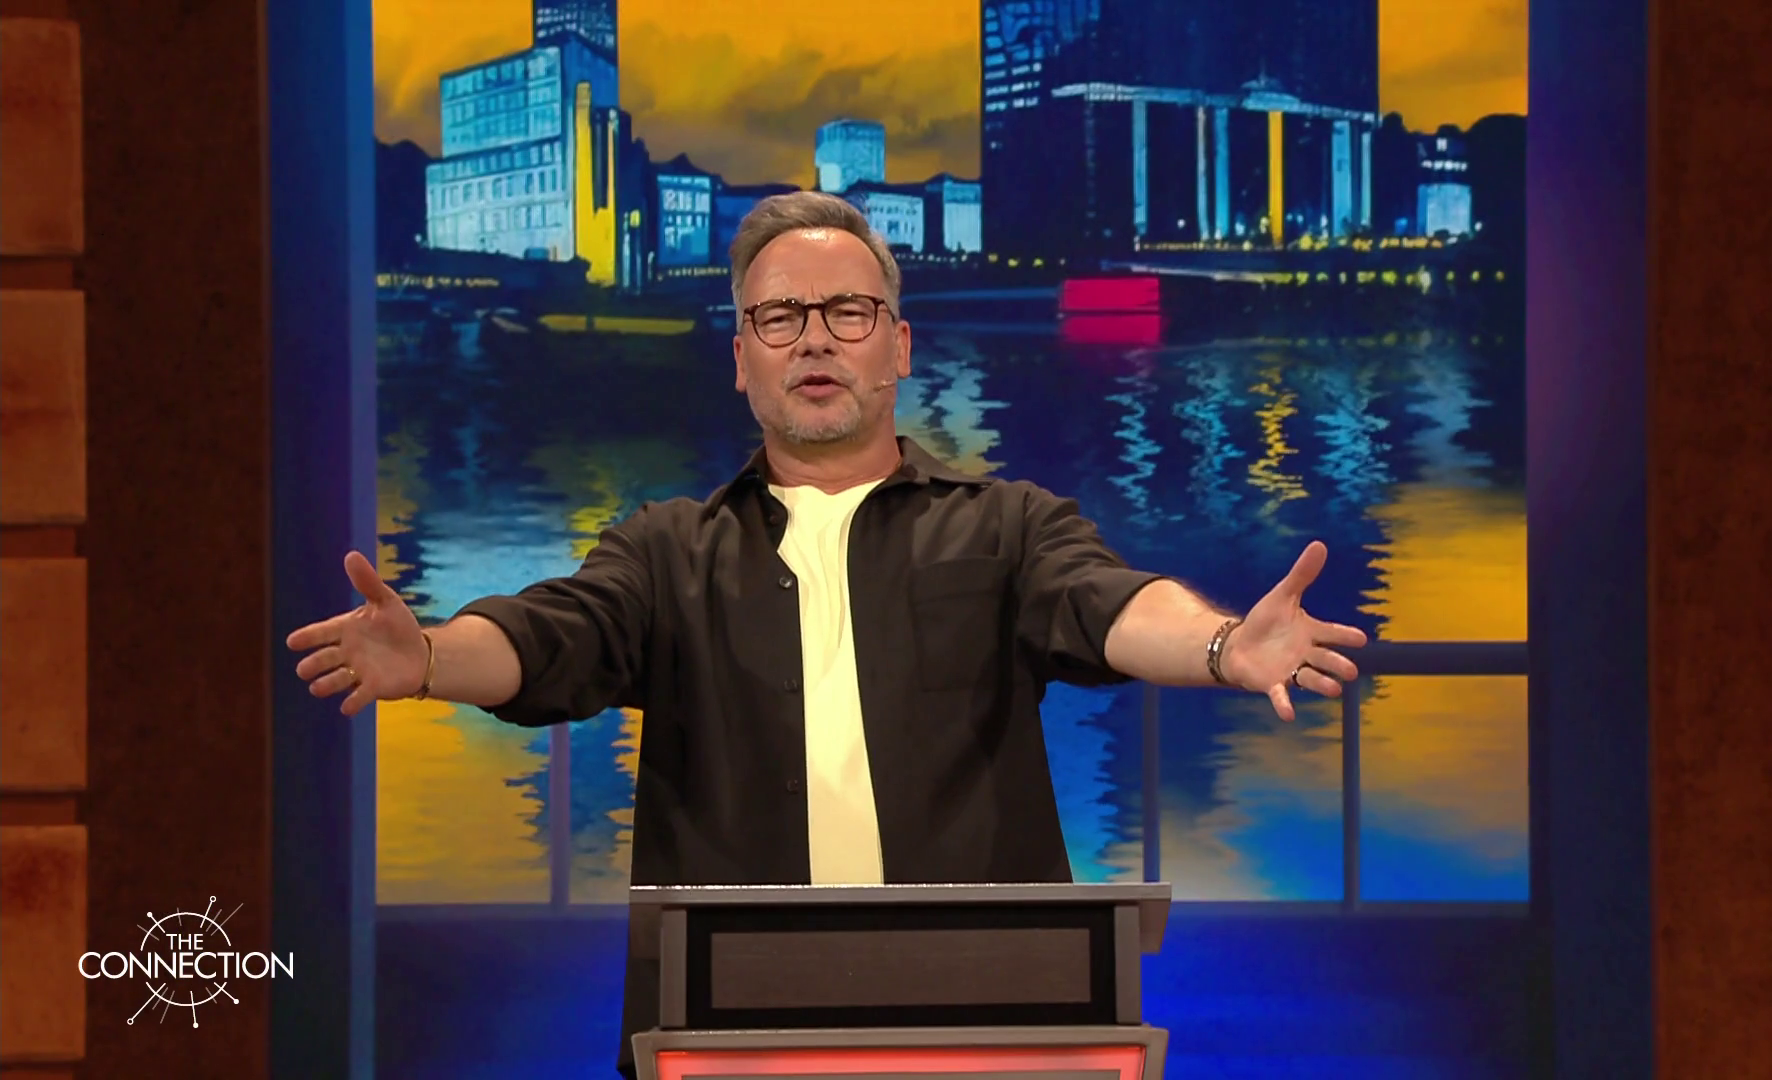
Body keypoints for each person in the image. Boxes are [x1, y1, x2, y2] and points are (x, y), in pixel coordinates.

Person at [286, 191, 1368, 1074]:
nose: (814, 338)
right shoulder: (666, 549)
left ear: (898, 345)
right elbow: (554, 636)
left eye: (848, 312)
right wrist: (429, 659)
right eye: (779, 317)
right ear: (741, 357)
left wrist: (1226, 646)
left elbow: (1110, 604)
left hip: (989, 1032)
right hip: (726, 1034)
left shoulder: (1007, 525)